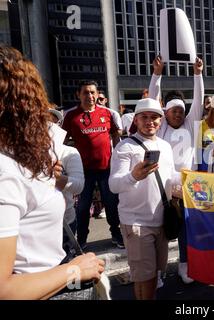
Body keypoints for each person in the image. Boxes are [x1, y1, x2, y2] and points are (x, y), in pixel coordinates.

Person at [0, 45, 104, 299]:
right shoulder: (5, 171)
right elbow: (4, 289)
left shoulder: (22, 160)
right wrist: (74, 270)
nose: (49, 123)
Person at [109, 98, 178, 300]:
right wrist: (134, 176)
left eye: (155, 117)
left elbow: (170, 176)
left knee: (151, 276)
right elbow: (113, 185)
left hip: (161, 220)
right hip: (136, 222)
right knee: (146, 278)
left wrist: (189, 182)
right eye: (144, 117)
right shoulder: (125, 147)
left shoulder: (165, 146)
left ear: (161, 120)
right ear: (136, 120)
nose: (150, 122)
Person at [149, 55, 204, 284]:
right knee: (160, 230)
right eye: (174, 111)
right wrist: (157, 74)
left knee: (185, 230)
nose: (179, 114)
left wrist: (198, 74)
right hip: (162, 187)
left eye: (181, 111)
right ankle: (158, 272)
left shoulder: (191, 124)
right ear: (165, 113)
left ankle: (185, 265)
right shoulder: (160, 129)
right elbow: (153, 98)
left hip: (187, 187)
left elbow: (199, 100)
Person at [62, 80, 124, 249]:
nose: (89, 96)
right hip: (83, 171)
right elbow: (62, 141)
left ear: (97, 95)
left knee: (111, 204)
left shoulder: (107, 113)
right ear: (78, 95)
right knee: (82, 208)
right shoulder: (71, 116)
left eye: (92, 92)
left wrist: (117, 158)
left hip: (106, 169)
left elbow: (116, 136)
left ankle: (116, 235)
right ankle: (81, 240)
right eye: (85, 92)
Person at [48, 108, 85, 252]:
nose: (49, 124)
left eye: (54, 121)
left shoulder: (69, 152)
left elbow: (78, 186)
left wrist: (55, 177)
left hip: (65, 222)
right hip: (35, 226)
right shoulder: (23, 152)